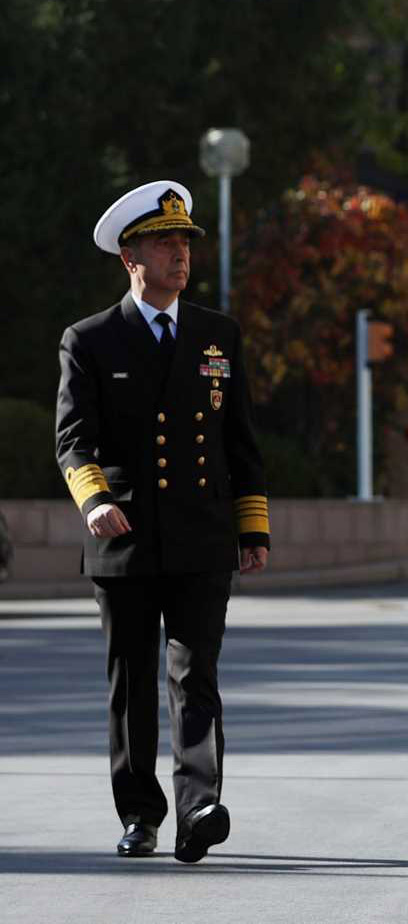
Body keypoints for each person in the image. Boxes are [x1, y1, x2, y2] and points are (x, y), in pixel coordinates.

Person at [55, 180, 271, 862]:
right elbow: (72, 439)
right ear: (130, 257)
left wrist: (252, 528)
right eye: (163, 242)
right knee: (133, 680)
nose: (179, 254)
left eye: (184, 242)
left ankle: (199, 806)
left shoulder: (218, 334)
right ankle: (141, 813)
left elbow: (240, 441)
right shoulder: (90, 339)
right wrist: (94, 500)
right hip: (124, 539)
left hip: (202, 536)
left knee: (195, 674)